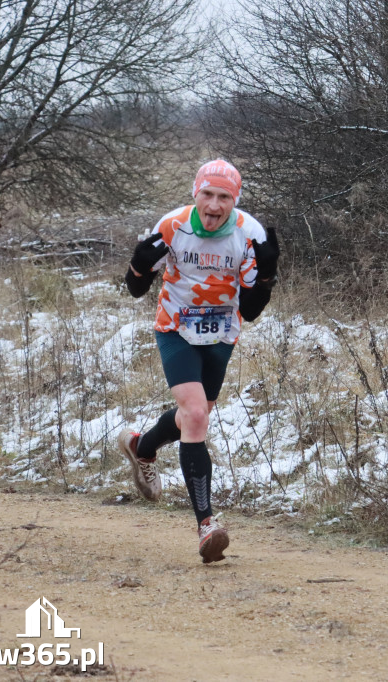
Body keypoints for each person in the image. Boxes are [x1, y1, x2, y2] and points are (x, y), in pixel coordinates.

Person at [117, 159, 279, 564]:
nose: (214, 204)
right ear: (196, 194)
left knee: (198, 413)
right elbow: (136, 289)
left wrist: (266, 278)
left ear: (234, 201)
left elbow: (254, 308)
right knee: (194, 414)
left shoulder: (249, 234)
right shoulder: (172, 226)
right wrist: (138, 264)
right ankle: (207, 525)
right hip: (175, 327)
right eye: (208, 194)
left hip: (222, 332)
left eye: (224, 197)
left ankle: (142, 445)